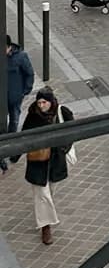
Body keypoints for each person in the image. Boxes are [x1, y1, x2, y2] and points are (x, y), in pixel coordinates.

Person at [23, 86, 75, 244]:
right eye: (39, 102)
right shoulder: (32, 114)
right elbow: (24, 136)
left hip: (55, 161)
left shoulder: (62, 112)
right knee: (42, 195)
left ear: (51, 102)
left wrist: (63, 148)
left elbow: (73, 132)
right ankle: (46, 227)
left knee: (49, 192)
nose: (41, 106)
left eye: (44, 102)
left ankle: (45, 220)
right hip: (37, 162)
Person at [2, 32, 34, 171]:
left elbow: (29, 73)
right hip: (2, 99)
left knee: (14, 120)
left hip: (15, 97)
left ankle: (11, 145)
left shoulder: (20, 57)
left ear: (9, 47)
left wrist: (25, 91)